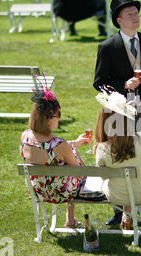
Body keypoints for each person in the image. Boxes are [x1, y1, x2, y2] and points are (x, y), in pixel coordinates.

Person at [93, 0, 141, 225]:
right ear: (119, 20)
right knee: (120, 155)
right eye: (130, 14)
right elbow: (99, 82)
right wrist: (123, 84)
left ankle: (138, 204)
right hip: (119, 113)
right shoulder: (107, 47)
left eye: (136, 13)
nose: (136, 17)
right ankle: (119, 210)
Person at [20, 87, 90, 228]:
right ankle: (70, 220)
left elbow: (44, 146)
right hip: (60, 192)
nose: (59, 117)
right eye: (58, 114)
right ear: (47, 120)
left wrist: (72, 143)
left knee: (67, 156)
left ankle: (70, 220)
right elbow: (79, 173)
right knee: (73, 165)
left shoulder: (25, 136)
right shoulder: (60, 145)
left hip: (38, 190)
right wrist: (72, 148)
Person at [93, 96, 141, 230]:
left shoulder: (103, 148)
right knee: (134, 175)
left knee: (114, 180)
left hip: (117, 196)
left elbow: (103, 176)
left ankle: (125, 214)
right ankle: (126, 215)